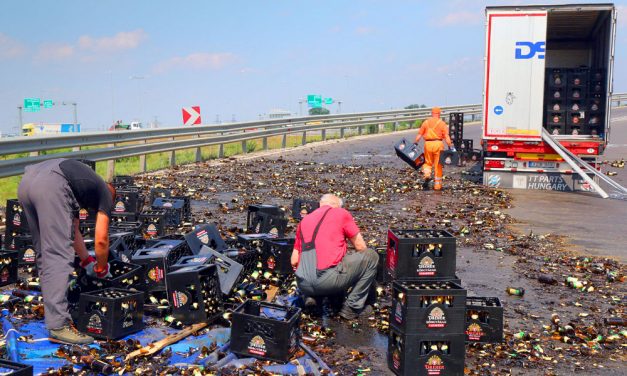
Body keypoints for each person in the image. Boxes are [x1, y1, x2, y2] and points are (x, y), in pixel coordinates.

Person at [18, 158, 115, 344]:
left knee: (44, 253)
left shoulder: (83, 186)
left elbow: (74, 229)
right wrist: (101, 267)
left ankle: (53, 310)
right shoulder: (106, 194)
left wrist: (87, 260)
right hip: (52, 185)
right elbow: (101, 240)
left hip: (27, 183)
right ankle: (59, 324)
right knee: (58, 255)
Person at [291, 194, 378, 320]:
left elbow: (294, 260)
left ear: (320, 205)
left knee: (320, 266)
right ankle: (351, 308)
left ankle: (313, 298)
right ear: (338, 205)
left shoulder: (304, 220)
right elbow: (361, 247)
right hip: (327, 280)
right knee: (371, 256)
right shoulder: (341, 213)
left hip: (303, 283)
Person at [414, 107, 456, 190]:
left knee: (427, 162)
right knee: (438, 165)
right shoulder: (442, 123)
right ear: (439, 114)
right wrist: (451, 146)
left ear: (432, 113)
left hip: (428, 144)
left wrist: (415, 143)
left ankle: (427, 175)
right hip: (438, 144)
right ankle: (437, 186)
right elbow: (447, 137)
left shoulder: (426, 122)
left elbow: (419, 135)